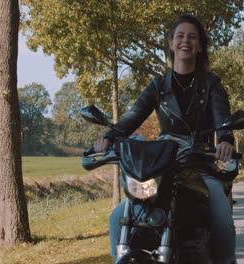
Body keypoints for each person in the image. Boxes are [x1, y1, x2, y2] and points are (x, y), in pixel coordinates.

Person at [94, 15, 236, 263]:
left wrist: (225, 140)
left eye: (192, 37)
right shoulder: (158, 86)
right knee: (118, 217)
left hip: (200, 162)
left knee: (222, 217)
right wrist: (109, 137)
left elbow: (222, 119)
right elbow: (132, 116)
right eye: (180, 36)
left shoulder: (211, 84)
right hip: (164, 166)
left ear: (200, 46)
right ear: (171, 43)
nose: (186, 41)